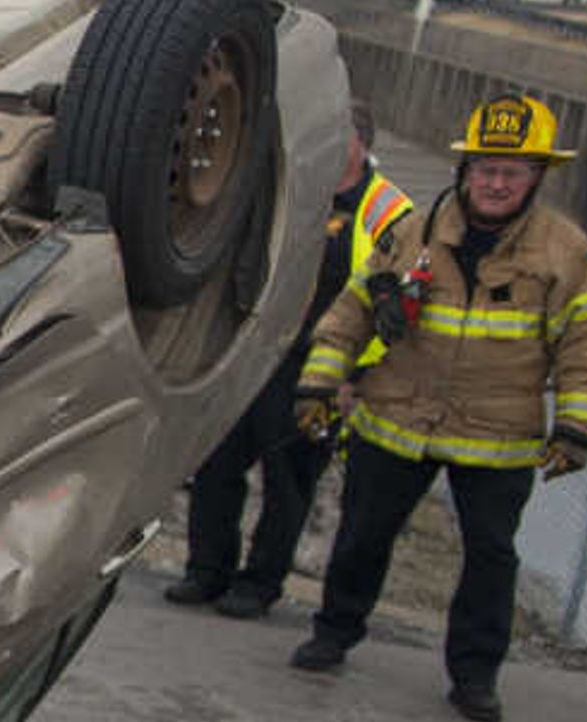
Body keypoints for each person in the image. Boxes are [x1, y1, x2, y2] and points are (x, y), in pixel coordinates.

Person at [289, 93, 587, 722]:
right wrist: (319, 383)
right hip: (398, 416)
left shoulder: (564, 252)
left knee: (492, 557)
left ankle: (474, 676)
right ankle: (333, 632)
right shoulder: (420, 229)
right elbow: (356, 305)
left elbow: (585, 345)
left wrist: (575, 427)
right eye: (484, 169)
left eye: (510, 172)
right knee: (362, 535)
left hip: (499, 433)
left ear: (536, 178)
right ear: (466, 171)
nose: (494, 183)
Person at [166, 98, 419, 619]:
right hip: (257, 351)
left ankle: (260, 583)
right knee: (217, 465)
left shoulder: (391, 214)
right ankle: (206, 571)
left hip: (320, 365)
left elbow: (395, 310)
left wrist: (357, 377)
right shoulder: (290, 189)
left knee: (289, 479)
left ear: (357, 142)